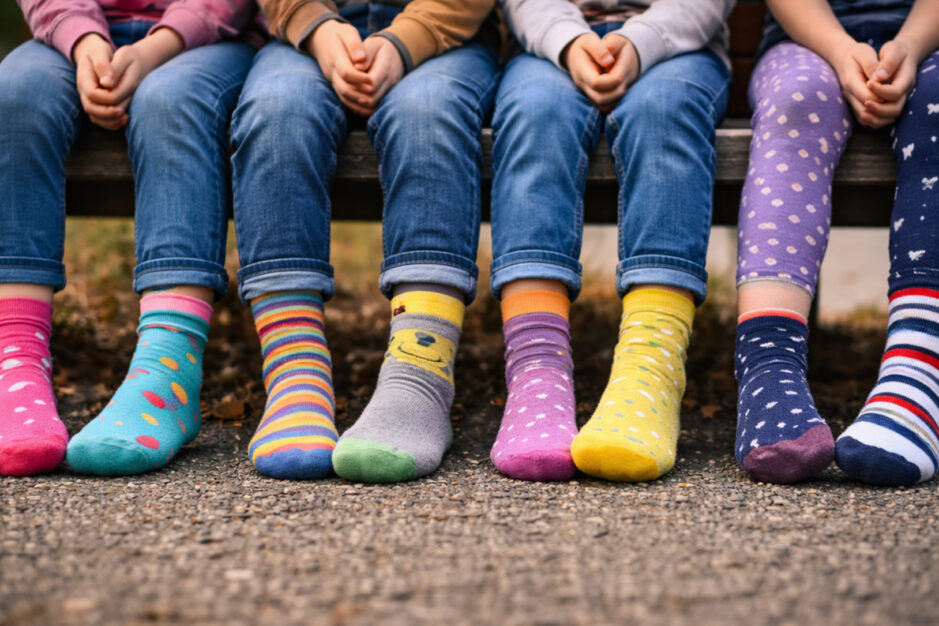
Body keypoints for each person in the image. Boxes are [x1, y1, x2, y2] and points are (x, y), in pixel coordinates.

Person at [232, 0, 500, 481]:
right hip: (306, 34)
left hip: (445, 31)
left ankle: (420, 373)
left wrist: (405, 39)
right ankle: (295, 372)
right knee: (276, 115)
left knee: (427, 115)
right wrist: (313, 24)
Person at [0, 0, 260, 476]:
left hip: (206, 40)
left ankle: (167, 369)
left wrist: (156, 47)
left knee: (172, 100)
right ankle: (13, 360)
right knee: (14, 94)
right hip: (70, 37)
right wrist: (84, 40)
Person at [488, 0, 734, 481]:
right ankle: (536, 370)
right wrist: (569, 39)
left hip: (679, 46)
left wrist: (640, 41)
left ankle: (651, 368)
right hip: (550, 44)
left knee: (665, 111)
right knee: (535, 112)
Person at [734, 0, 939, 485]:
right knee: (798, 99)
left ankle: (921, 360)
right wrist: (841, 49)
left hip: (929, 39)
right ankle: (768, 364)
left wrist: (909, 44)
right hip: (808, 38)